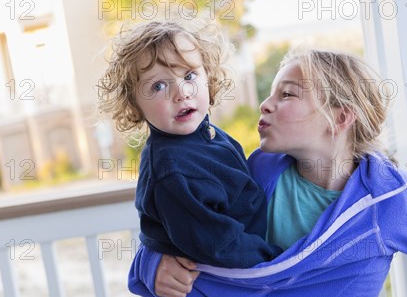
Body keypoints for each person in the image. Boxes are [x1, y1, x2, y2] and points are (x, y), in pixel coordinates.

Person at [128, 49, 407, 297]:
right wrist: (152, 264)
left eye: (286, 94)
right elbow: (177, 225)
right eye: (270, 93)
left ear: (339, 117)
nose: (265, 105)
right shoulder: (259, 169)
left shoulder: (388, 201)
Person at [98, 18, 282, 269]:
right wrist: (279, 259)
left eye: (189, 75)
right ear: (135, 105)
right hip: (216, 291)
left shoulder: (206, 134)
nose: (181, 92)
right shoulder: (172, 171)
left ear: (209, 76)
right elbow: (220, 245)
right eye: (159, 85)